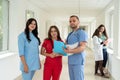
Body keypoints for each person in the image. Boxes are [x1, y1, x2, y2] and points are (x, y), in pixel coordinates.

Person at [63, 15, 88, 80]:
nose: (72, 22)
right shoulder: (70, 34)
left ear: (78, 22)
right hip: (70, 60)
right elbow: (67, 45)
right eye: (70, 21)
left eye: (74, 21)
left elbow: (82, 47)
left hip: (78, 61)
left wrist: (69, 51)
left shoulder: (81, 33)